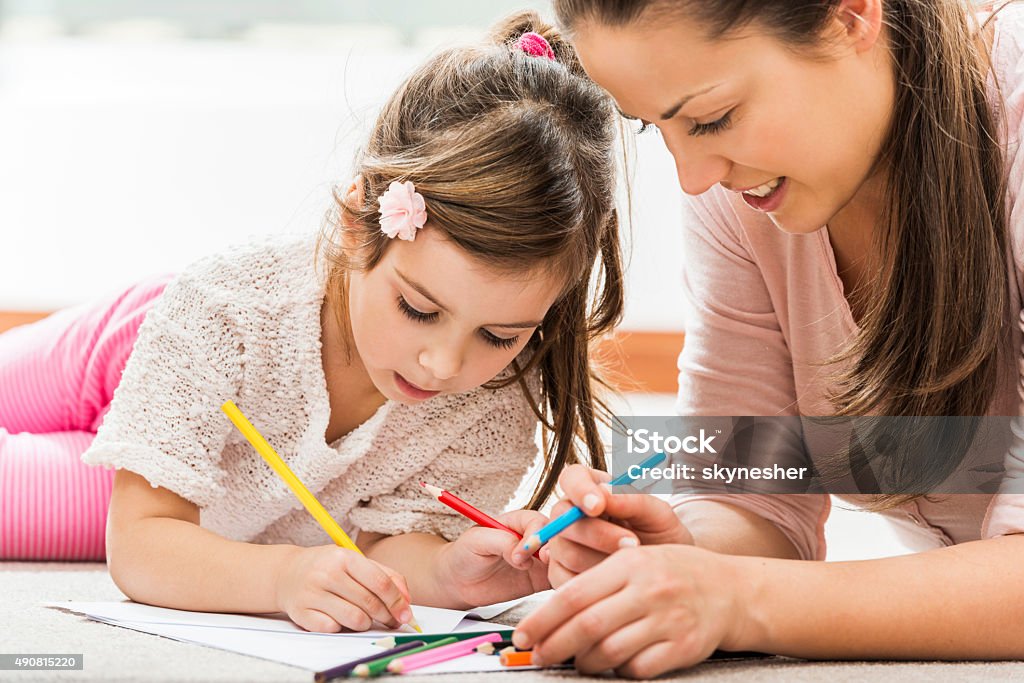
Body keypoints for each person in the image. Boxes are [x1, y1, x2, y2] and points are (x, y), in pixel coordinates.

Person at [0, 12, 624, 634]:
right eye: (419, 309)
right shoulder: (221, 310)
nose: (445, 364)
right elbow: (138, 549)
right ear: (359, 223)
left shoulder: (490, 398)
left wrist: (450, 572)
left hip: (195, 490)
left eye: (499, 335)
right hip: (148, 345)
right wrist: (282, 577)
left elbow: (147, 537)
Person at [512, 0, 1024, 676]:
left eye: (713, 118)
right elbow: (757, 491)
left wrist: (737, 595)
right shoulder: (741, 197)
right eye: (652, 125)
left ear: (850, 16)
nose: (693, 177)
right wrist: (679, 555)